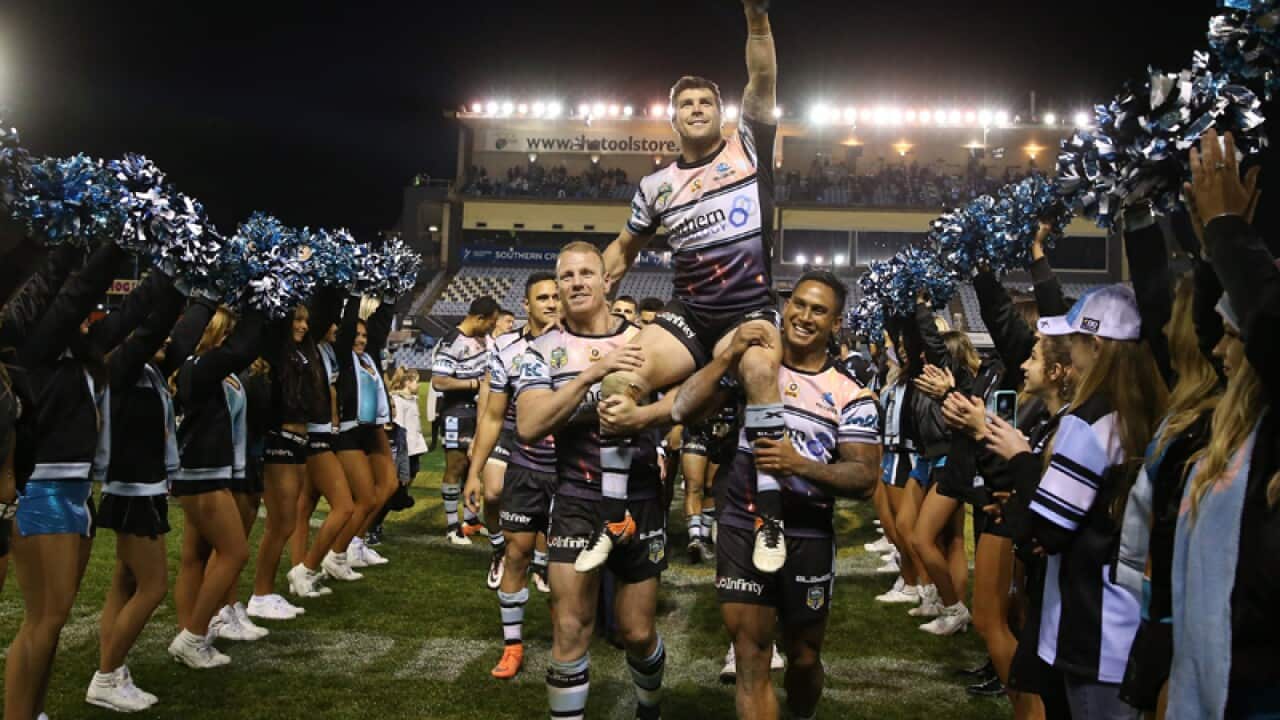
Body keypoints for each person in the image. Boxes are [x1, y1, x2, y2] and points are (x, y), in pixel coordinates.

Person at [589, 0, 787, 575]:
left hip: (750, 308)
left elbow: (764, 76)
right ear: (672, 119)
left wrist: (757, 20)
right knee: (621, 374)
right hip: (691, 315)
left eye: (705, 102)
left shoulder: (748, 148)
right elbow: (623, 248)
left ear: (723, 116)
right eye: (685, 104)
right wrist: (594, 282)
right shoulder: (655, 186)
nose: (695, 108)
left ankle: (767, 518)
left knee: (756, 374)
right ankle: (613, 518)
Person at [675, 270, 882, 720]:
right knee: (751, 656)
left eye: (818, 310)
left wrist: (798, 464)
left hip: (808, 535)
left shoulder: (851, 394)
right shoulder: (755, 367)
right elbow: (683, 408)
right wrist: (727, 354)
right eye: (798, 304)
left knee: (804, 658)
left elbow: (865, 478)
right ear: (785, 307)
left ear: (836, 323)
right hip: (743, 525)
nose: (804, 316)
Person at [989, 284, 1167, 719]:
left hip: (1092, 623)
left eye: (1074, 342)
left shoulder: (1089, 421)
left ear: (1097, 344)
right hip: (1130, 612)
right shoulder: (1145, 410)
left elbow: (1050, 530)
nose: (1068, 352)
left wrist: (1022, 459)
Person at [516, 242, 672, 720]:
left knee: (636, 633)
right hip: (577, 500)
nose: (578, 282)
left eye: (588, 273)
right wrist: (591, 376)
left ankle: (649, 708)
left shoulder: (648, 339)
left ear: (608, 282)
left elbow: (689, 399)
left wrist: (645, 417)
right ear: (558, 287)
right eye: (567, 276)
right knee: (570, 627)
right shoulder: (541, 350)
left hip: (641, 499)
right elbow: (529, 425)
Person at [1166, 129, 1280, 719]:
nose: (1221, 352)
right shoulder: (1238, 430)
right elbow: (1211, 330)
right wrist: (1214, 242)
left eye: (1238, 341)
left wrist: (1229, 232)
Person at [5, 241, 132, 720]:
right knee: (45, 620)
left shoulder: (81, 358)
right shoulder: (32, 352)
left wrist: (180, 282)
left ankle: (33, 711)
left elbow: (137, 320)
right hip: (45, 493)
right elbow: (76, 294)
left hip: (77, 494)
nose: (85, 317)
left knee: (51, 624)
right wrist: (105, 240)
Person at [87, 271, 190, 711]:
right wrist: (178, 278)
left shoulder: (145, 369)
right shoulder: (121, 367)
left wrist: (201, 298)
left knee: (125, 583)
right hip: (134, 488)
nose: (163, 340)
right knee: (152, 587)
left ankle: (110, 666)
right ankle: (107, 676)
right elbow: (154, 329)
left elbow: (180, 338)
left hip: (136, 486)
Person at [463, 271, 559, 678]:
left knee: (565, 567)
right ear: (526, 305)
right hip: (525, 466)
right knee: (516, 555)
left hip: (570, 471)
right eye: (543, 298)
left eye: (556, 297)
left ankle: (565, 645)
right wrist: (474, 472)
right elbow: (493, 416)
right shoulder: (506, 348)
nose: (552, 303)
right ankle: (512, 646)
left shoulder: (577, 344)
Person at [168, 304, 268, 669]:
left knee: (194, 557)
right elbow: (243, 350)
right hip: (201, 472)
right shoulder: (200, 366)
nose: (230, 341)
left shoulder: (209, 368)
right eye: (225, 333)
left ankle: (189, 634)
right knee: (234, 553)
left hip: (208, 470)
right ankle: (194, 635)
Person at [332, 295, 398, 569]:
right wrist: (354, 290)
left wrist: (392, 293)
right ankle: (336, 552)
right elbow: (348, 330)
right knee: (362, 497)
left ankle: (356, 543)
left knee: (389, 485)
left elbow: (380, 325)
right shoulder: (346, 358)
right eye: (356, 335)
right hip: (350, 430)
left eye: (364, 335)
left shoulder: (368, 357)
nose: (360, 339)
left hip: (372, 429)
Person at [431, 296, 499, 544]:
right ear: (478, 318)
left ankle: (471, 521)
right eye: (490, 323)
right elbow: (439, 381)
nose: (491, 328)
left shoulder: (485, 339)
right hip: (456, 410)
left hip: (481, 409)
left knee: (475, 466)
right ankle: (452, 526)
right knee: (456, 466)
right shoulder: (452, 341)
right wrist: (474, 384)